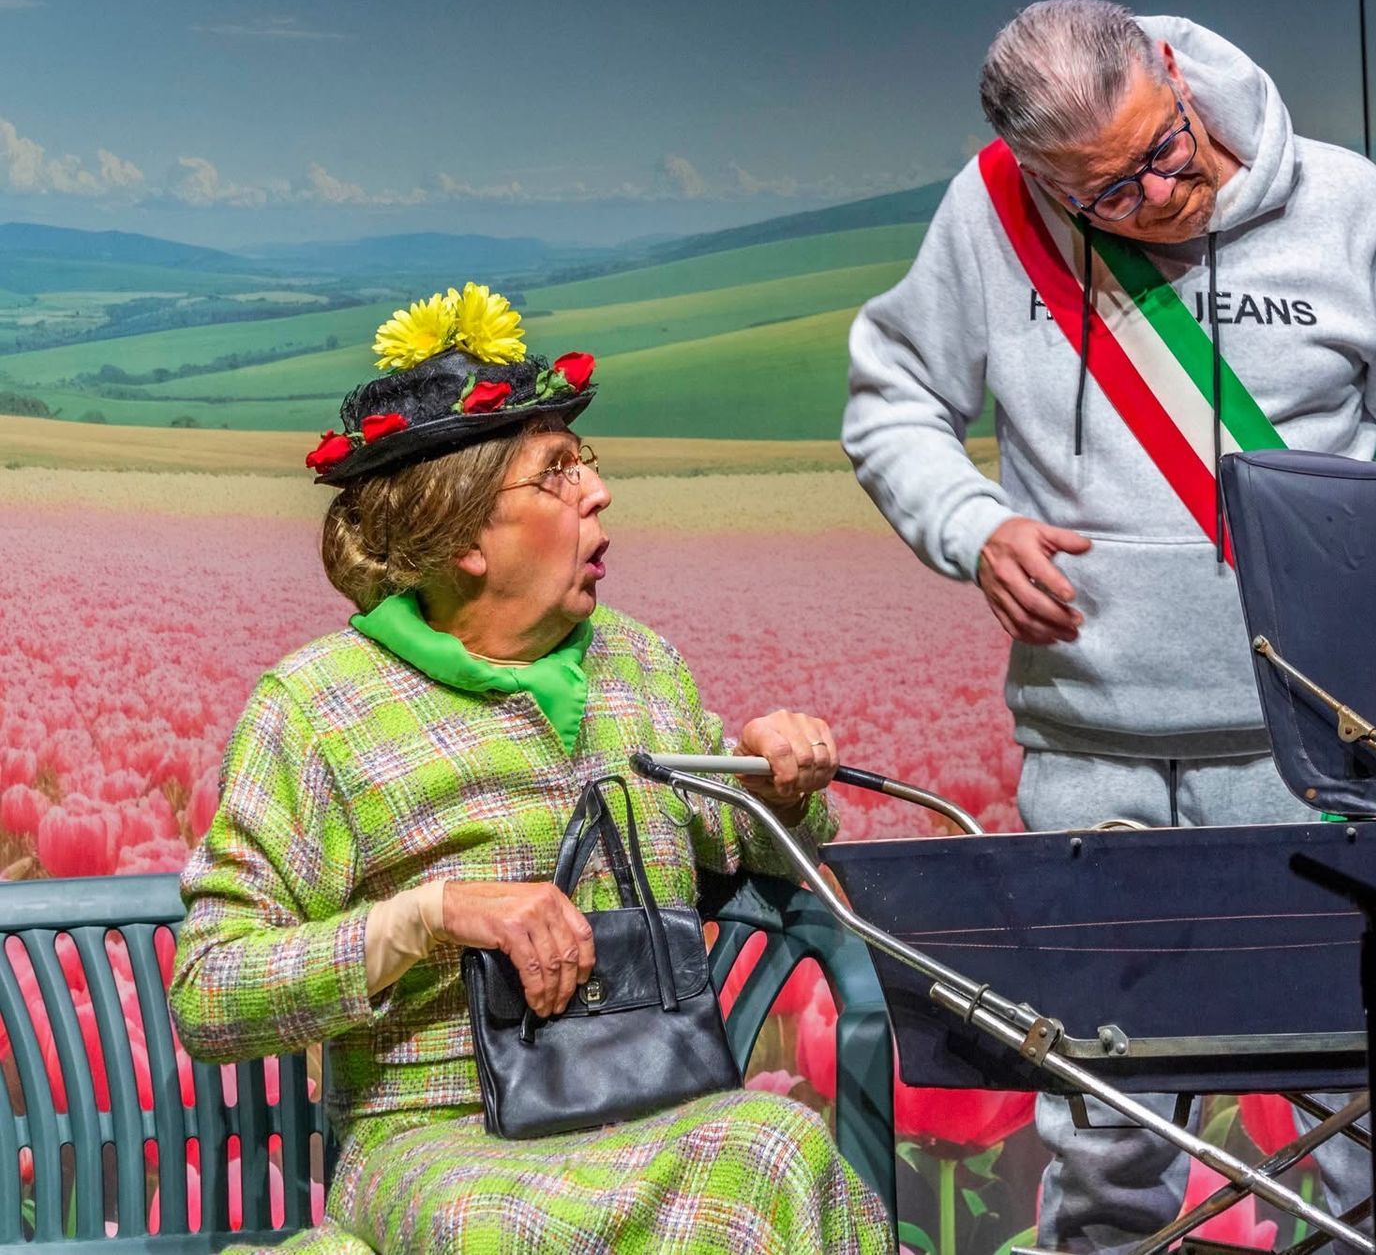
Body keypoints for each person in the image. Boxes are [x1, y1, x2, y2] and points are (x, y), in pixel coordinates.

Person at [843, 0, 1376, 1252]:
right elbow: (891, 401)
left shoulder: (1347, 205)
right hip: (1090, 751)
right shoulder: (990, 220)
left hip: (1317, 741)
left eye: (1164, 148)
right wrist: (974, 527)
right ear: (1041, 176)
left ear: (1171, 71)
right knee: (1103, 1132)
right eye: (1106, 192)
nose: (1160, 195)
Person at [170, 284, 891, 1254]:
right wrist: (427, 915)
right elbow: (212, 990)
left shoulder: (640, 667)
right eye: (556, 472)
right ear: (465, 534)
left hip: (654, 1102)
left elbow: (743, 842)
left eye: (584, 461)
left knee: (775, 1146)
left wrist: (775, 784)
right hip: (437, 1138)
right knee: (502, 1225)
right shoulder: (320, 707)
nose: (597, 491)